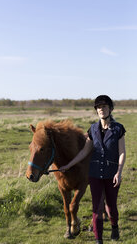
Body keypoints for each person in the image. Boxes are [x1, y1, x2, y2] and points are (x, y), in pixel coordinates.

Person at [59, 95, 126, 244]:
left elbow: (122, 152)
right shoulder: (93, 129)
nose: (101, 109)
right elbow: (84, 152)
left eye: (104, 107)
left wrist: (119, 172)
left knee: (111, 207)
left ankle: (114, 226)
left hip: (111, 174)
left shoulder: (118, 129)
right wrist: (69, 165)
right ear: (96, 111)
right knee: (97, 209)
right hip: (94, 174)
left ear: (110, 109)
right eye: (99, 107)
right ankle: (98, 240)